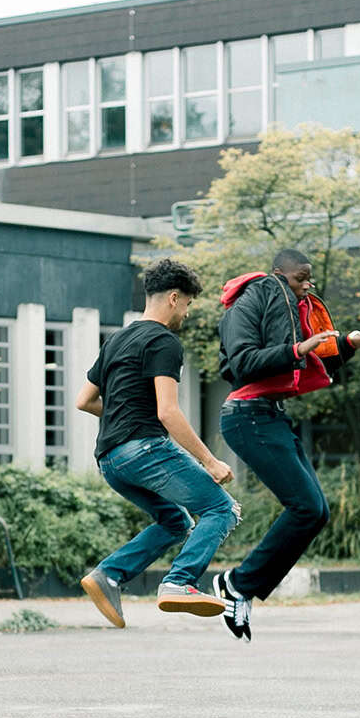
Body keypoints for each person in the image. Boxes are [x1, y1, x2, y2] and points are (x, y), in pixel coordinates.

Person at [210, 249, 360, 640]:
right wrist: (296, 351)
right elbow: (242, 363)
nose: (308, 285)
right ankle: (236, 584)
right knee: (306, 507)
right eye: (301, 278)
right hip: (247, 416)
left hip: (269, 416)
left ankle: (241, 586)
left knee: (318, 511)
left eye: (309, 279)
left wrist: (348, 344)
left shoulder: (283, 306)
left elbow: (311, 357)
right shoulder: (250, 303)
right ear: (279, 274)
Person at [76, 258, 239, 627]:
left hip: (110, 460)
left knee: (174, 522)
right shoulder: (164, 341)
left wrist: (124, 414)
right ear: (174, 298)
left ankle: (108, 575)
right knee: (221, 509)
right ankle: (179, 582)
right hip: (145, 449)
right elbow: (168, 412)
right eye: (188, 305)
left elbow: (84, 401)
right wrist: (210, 462)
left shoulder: (116, 339)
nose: (186, 313)